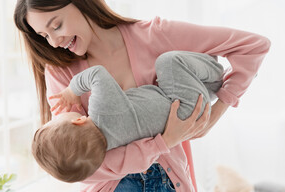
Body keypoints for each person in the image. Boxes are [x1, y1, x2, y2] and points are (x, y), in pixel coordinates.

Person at [14, 0, 270, 192]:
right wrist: (163, 142)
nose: (55, 42)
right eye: (44, 35)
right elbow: (82, 167)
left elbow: (253, 46)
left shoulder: (155, 36)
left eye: (56, 25)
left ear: (80, 0)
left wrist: (216, 112)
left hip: (171, 180)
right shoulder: (60, 71)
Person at [32, 51, 224, 183]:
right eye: (55, 119)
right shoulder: (103, 110)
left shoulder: (112, 150)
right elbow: (96, 74)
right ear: (78, 120)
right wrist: (71, 90)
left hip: (188, 115)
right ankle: (219, 72)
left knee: (173, 80)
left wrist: (165, 141)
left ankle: (211, 85)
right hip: (184, 104)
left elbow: (142, 159)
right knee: (168, 62)